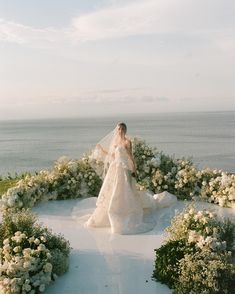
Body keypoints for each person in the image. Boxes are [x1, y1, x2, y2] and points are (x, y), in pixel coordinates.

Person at [85, 122, 177, 234]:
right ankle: (110, 212)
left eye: (122, 129)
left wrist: (134, 169)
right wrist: (101, 150)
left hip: (124, 167)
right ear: (117, 130)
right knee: (113, 189)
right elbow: (112, 155)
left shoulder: (127, 142)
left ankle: (126, 212)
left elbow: (130, 157)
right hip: (115, 167)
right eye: (119, 129)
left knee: (126, 189)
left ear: (125, 130)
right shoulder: (115, 142)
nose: (120, 131)